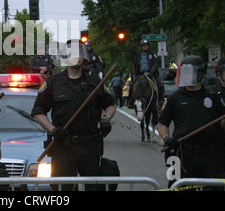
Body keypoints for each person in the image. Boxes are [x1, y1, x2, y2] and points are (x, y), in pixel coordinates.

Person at [31, 39, 116, 191]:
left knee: (95, 188)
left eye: (79, 54)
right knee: (63, 189)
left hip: (90, 145)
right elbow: (38, 112)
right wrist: (52, 130)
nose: (76, 57)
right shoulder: (53, 83)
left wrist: (106, 119)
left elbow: (110, 104)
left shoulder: (94, 82)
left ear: (84, 57)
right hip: (63, 145)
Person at [157, 55, 225, 187]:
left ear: (200, 74)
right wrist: (166, 138)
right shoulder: (174, 98)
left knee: (211, 187)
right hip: (179, 153)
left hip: (208, 154)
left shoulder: (212, 97)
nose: (186, 76)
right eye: (184, 73)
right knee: (175, 186)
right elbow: (162, 123)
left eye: (190, 73)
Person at [130, 39, 164, 104]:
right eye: (143, 45)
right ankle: (131, 99)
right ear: (141, 46)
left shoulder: (152, 54)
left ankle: (160, 100)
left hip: (151, 74)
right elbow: (135, 65)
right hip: (141, 74)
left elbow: (155, 64)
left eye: (146, 45)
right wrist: (135, 73)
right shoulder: (138, 55)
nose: (145, 46)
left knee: (159, 85)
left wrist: (151, 72)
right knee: (131, 85)